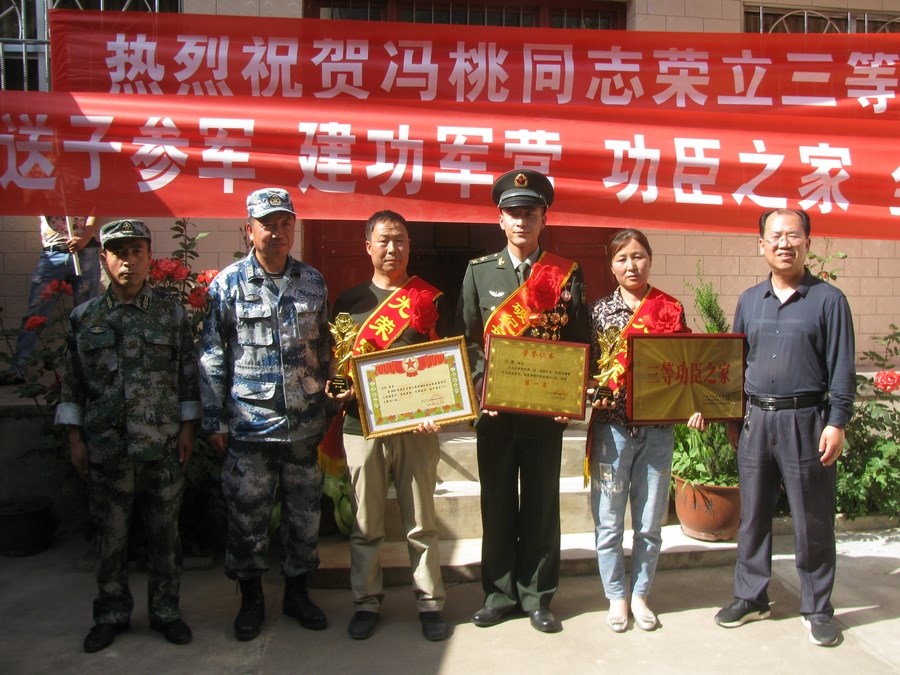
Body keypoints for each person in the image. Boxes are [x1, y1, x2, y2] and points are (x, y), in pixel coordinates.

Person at [701, 208, 855, 647]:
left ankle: (817, 607)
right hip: (756, 421)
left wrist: (837, 422)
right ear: (761, 245)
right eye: (775, 236)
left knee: (812, 519)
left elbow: (842, 368)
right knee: (752, 516)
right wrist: (732, 417)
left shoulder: (829, 301)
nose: (784, 244)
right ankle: (751, 597)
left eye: (793, 235)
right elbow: (734, 365)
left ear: (808, 243)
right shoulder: (750, 300)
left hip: (806, 422)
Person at [454, 169, 590, 633]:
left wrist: (569, 395)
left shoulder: (566, 272)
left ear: (543, 218)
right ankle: (498, 594)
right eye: (512, 213)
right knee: (495, 504)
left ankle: (537, 596)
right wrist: (479, 387)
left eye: (529, 213)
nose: (520, 221)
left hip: (543, 413)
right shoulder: (479, 272)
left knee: (540, 505)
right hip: (495, 414)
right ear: (500, 219)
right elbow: (467, 339)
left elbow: (578, 340)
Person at [56, 219, 199, 653]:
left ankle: (166, 610)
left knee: (165, 536)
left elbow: (186, 376)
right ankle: (111, 613)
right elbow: (72, 384)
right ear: (104, 258)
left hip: (161, 444)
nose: (129, 261)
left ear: (149, 257)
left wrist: (187, 427)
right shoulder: (86, 317)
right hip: (108, 447)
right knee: (111, 537)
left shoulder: (170, 315)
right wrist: (75, 437)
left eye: (137, 252)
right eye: (119, 252)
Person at [199, 187, 331, 642]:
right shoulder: (228, 285)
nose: (277, 232)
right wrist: (214, 419)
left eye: (285, 223)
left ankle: (298, 594)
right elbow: (213, 355)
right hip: (250, 424)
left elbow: (325, 350)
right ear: (248, 229)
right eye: (267, 225)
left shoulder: (313, 282)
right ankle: (251, 599)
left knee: (304, 516)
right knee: (248, 518)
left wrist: (330, 403)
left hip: (304, 424)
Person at [327, 210, 452, 642]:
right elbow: (337, 361)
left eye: (399, 240)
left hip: (417, 428)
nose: (392, 248)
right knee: (367, 523)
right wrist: (338, 386)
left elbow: (444, 362)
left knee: (422, 522)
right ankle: (366, 601)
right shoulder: (349, 302)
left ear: (409, 246)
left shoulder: (430, 299)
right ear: (368, 246)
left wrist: (439, 408)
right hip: (361, 426)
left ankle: (430, 602)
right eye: (383, 240)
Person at [585, 228, 691, 633]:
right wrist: (592, 395)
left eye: (639, 256)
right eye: (622, 258)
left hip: (657, 430)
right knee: (609, 520)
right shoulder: (597, 312)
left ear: (650, 258)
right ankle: (616, 595)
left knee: (648, 522)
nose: (632, 265)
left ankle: (642, 594)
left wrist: (693, 405)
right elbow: (586, 372)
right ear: (611, 266)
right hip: (611, 431)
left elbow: (686, 367)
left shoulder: (670, 308)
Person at [1, 215, 102, 385]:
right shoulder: (45, 195)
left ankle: (88, 369)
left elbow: (95, 208)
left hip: (86, 251)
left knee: (88, 314)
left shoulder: (85, 194)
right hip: (53, 252)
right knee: (35, 312)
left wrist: (84, 237)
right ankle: (18, 369)